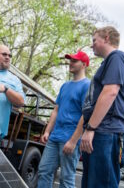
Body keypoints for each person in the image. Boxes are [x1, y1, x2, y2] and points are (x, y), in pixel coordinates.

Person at [80, 26, 124, 188]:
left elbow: (110, 92)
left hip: (108, 131)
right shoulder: (108, 62)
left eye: (94, 40)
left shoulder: (117, 57)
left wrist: (90, 128)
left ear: (107, 38)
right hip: (102, 131)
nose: (92, 45)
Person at [37, 51, 90, 188]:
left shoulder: (87, 85)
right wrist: (47, 131)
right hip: (54, 137)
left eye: (74, 61)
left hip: (70, 138)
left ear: (84, 64)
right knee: (44, 171)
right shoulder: (65, 86)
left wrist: (73, 141)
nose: (70, 63)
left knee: (66, 179)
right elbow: (56, 110)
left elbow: (86, 115)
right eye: (70, 60)